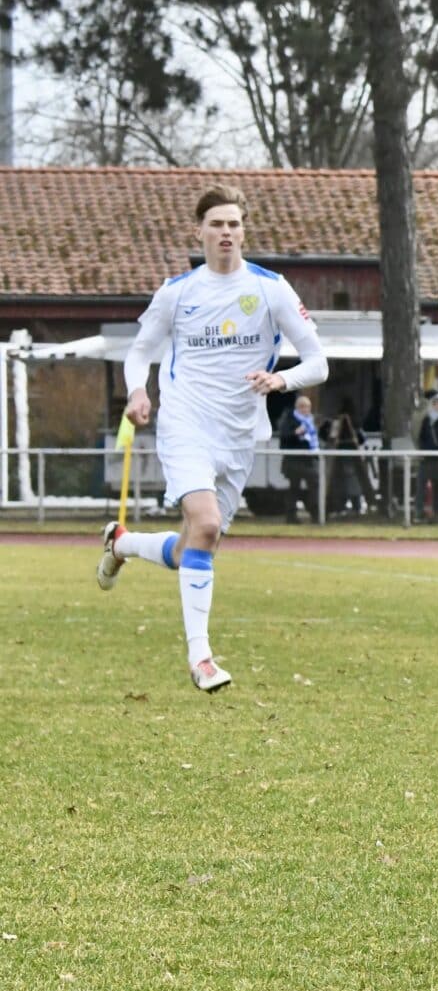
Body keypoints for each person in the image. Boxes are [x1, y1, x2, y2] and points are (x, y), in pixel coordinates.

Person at [95, 183, 327, 692]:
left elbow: (318, 361)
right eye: (217, 224)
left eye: (234, 224)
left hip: (239, 433)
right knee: (205, 522)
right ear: (199, 231)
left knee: (199, 542)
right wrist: (138, 391)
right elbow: (139, 353)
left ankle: (123, 543)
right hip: (185, 423)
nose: (227, 232)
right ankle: (201, 658)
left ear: (244, 231)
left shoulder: (272, 289)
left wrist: (281, 380)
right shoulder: (177, 292)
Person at [274, 392, 321, 523]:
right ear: (298, 407)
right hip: (293, 460)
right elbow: (283, 438)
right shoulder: (289, 419)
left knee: (315, 485)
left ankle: (316, 514)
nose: (306, 410)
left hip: (309, 460)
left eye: (308, 407)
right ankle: (291, 517)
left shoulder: (311, 421)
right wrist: (296, 433)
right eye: (303, 407)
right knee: (294, 488)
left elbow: (315, 438)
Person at [323, 400, 367, 516]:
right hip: (344, 458)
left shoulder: (347, 423)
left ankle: (345, 506)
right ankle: (352, 506)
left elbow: (361, 438)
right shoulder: (340, 423)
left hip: (346, 458)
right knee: (350, 483)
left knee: (346, 483)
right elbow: (362, 438)